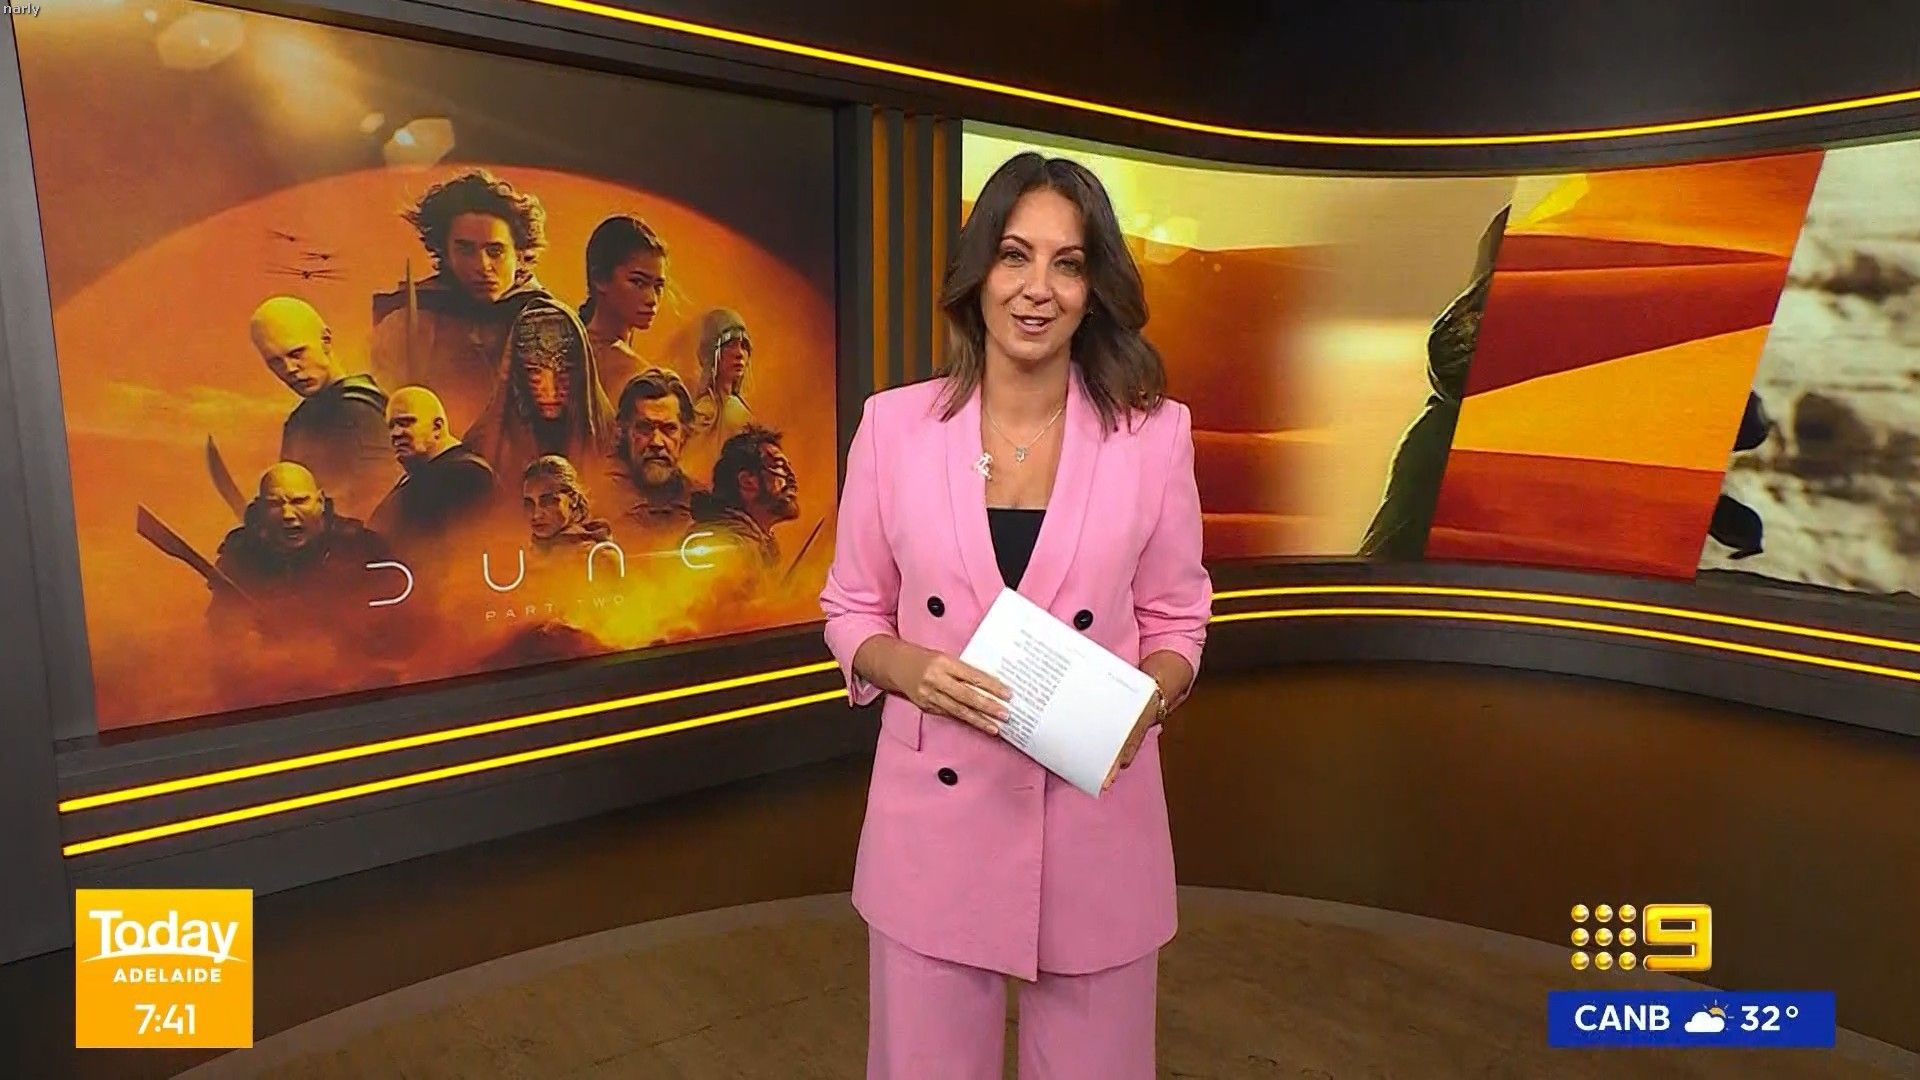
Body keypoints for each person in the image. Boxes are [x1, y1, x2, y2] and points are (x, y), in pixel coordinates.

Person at [819, 151, 1211, 1078]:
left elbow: (1177, 620)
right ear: (978, 275)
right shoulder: (894, 427)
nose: (1038, 288)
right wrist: (909, 670)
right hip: (934, 828)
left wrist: (1148, 700)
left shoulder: (1155, 435)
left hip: (1094, 823)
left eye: (1067, 263)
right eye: (1013, 255)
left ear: (1093, 287)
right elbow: (850, 608)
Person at [368, 169, 563, 427]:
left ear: (519, 253)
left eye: (495, 251)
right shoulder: (406, 324)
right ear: (446, 253)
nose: (482, 266)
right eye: (465, 250)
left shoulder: (549, 323)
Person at [249, 296, 393, 519]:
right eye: (275, 362)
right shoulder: (300, 420)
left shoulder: (360, 410)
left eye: (296, 354)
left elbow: (379, 496)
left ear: (325, 340)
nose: (289, 369)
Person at [209, 462, 392, 634]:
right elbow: (220, 628)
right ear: (260, 507)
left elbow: (391, 627)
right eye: (274, 504)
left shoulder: (359, 548)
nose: (287, 514)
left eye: (299, 501)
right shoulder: (242, 553)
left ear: (320, 502)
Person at [460, 298, 615, 494]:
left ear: (581, 373)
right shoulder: (480, 448)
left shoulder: (613, 441)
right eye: (535, 372)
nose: (551, 391)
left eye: (564, 372)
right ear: (518, 374)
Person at [368, 386, 497, 553]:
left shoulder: (466, 475)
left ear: (437, 427)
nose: (395, 433)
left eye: (405, 423)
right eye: (391, 426)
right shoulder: (424, 476)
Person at [602, 367, 705, 546]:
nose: (656, 442)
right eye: (644, 428)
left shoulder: (706, 508)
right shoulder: (600, 505)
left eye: (668, 429)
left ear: (684, 434)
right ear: (625, 432)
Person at [686, 425, 798, 581]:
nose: (791, 477)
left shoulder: (753, 546)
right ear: (747, 481)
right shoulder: (722, 546)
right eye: (778, 466)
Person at [578, 214, 670, 397]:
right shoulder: (634, 371)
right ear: (600, 279)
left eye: (658, 286)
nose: (652, 299)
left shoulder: (573, 346)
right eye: (638, 282)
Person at [683, 307, 755, 481]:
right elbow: (692, 467)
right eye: (730, 345)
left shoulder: (738, 406)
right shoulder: (706, 411)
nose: (739, 354)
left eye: (743, 346)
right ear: (712, 353)